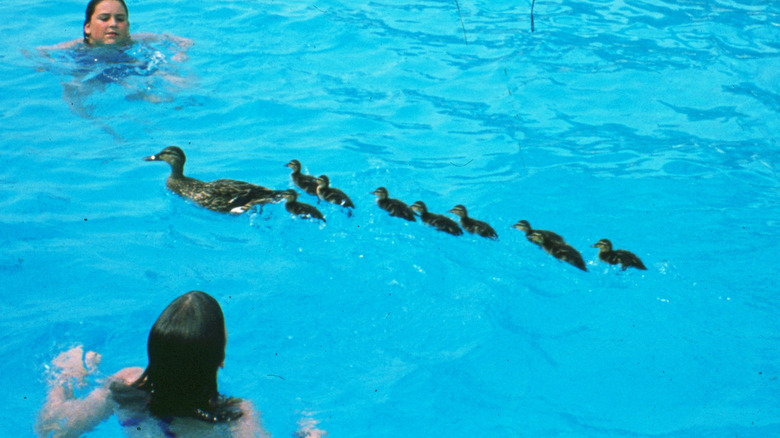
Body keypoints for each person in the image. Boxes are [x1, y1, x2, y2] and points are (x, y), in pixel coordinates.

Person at [36, 291, 276, 438]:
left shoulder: (127, 387)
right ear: (220, 359)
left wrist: (64, 378)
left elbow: (52, 430)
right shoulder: (236, 416)